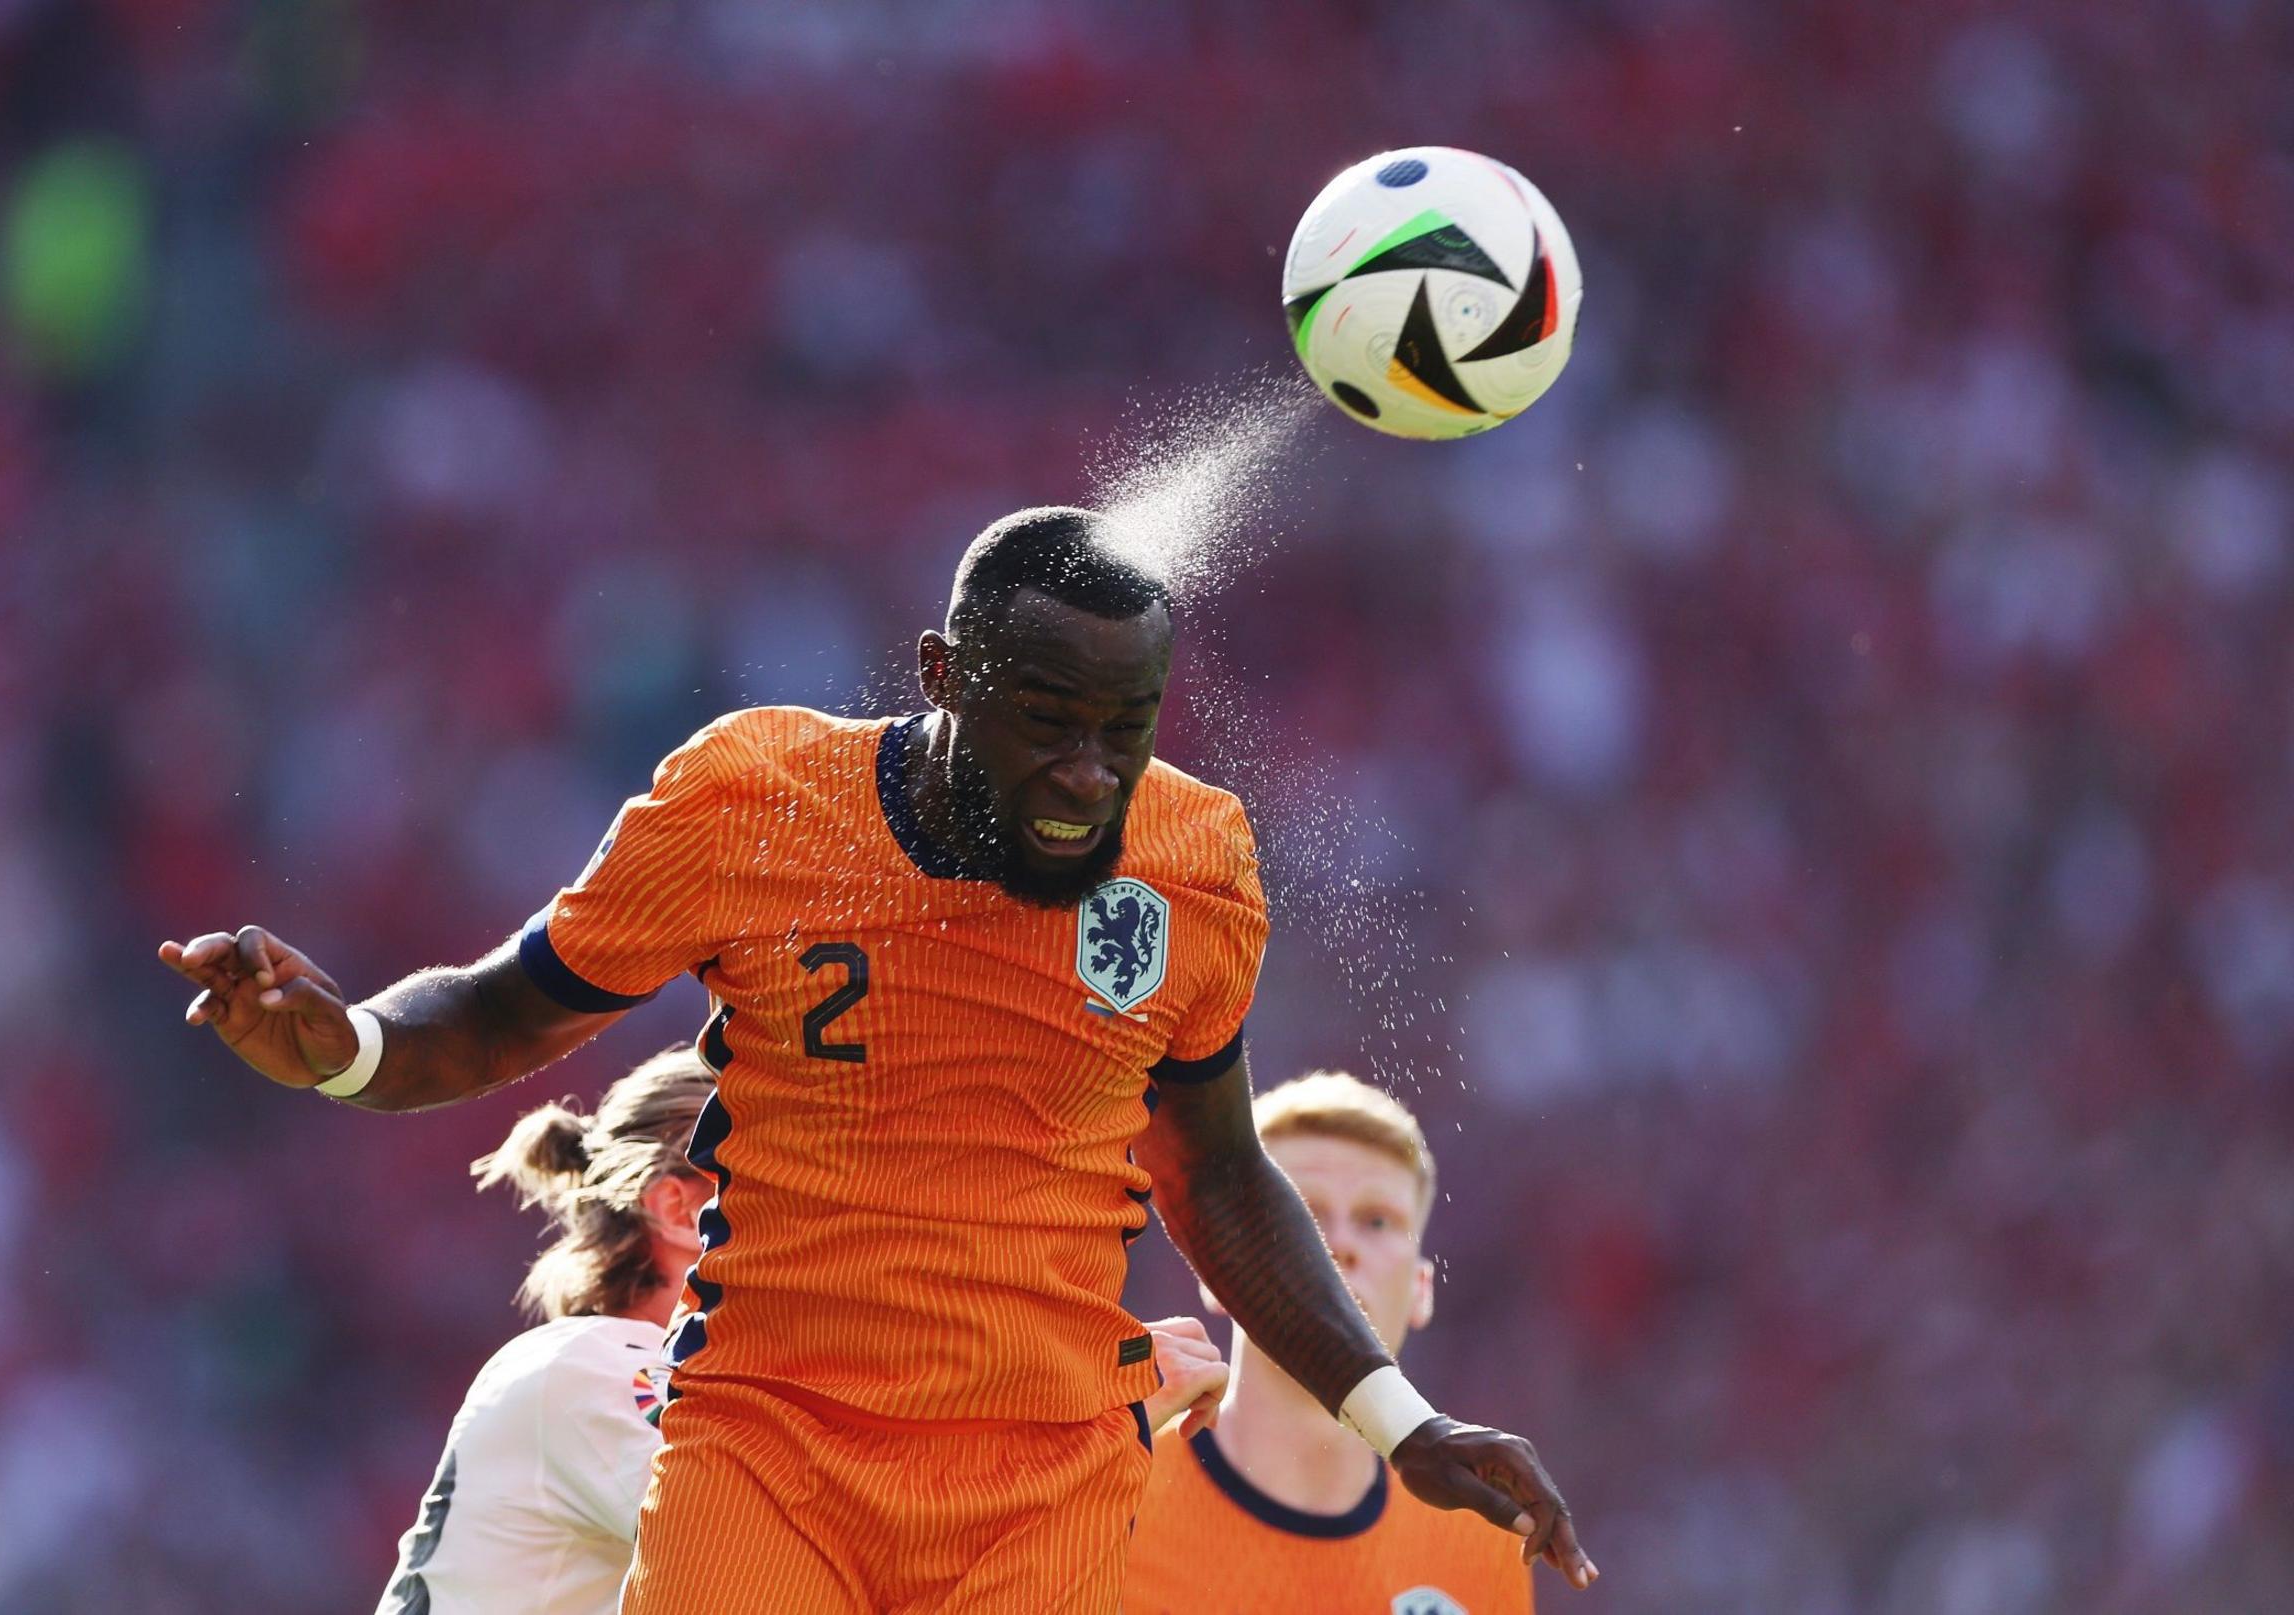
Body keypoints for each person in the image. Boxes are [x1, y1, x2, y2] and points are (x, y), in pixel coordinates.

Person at [160, 506, 1595, 1612]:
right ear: (944, 674)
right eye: (1048, 723)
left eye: (1126, 729)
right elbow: (496, 1009)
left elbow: (1215, 1172)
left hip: (1039, 1487)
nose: (1093, 773)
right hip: (770, 1449)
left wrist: (1398, 1418)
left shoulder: (1194, 862)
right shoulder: (754, 802)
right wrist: (344, 1045)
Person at [375, 1043, 1230, 1614]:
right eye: (800, 1170)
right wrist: (1091, 1412)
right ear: (677, 1210)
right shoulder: (592, 1365)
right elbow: (841, 1564)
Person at [1123, 1070, 1533, 1615]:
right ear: (1216, 1268)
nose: (1338, 1245)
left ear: (1421, 1290)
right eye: (1304, 1216)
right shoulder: (1111, 1494)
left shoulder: (1482, 1536)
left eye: (1377, 1221)